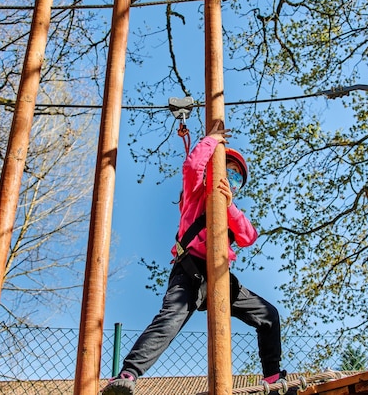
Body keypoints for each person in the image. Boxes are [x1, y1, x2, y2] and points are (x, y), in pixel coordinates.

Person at [101, 122, 291, 395]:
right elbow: (192, 168)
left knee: (268, 315)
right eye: (228, 171)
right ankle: (128, 374)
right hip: (191, 270)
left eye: (237, 178)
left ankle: (272, 377)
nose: (231, 180)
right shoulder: (195, 194)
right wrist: (210, 140)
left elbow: (249, 236)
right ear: (214, 170)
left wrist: (229, 208)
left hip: (221, 277)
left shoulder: (230, 210)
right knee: (169, 320)